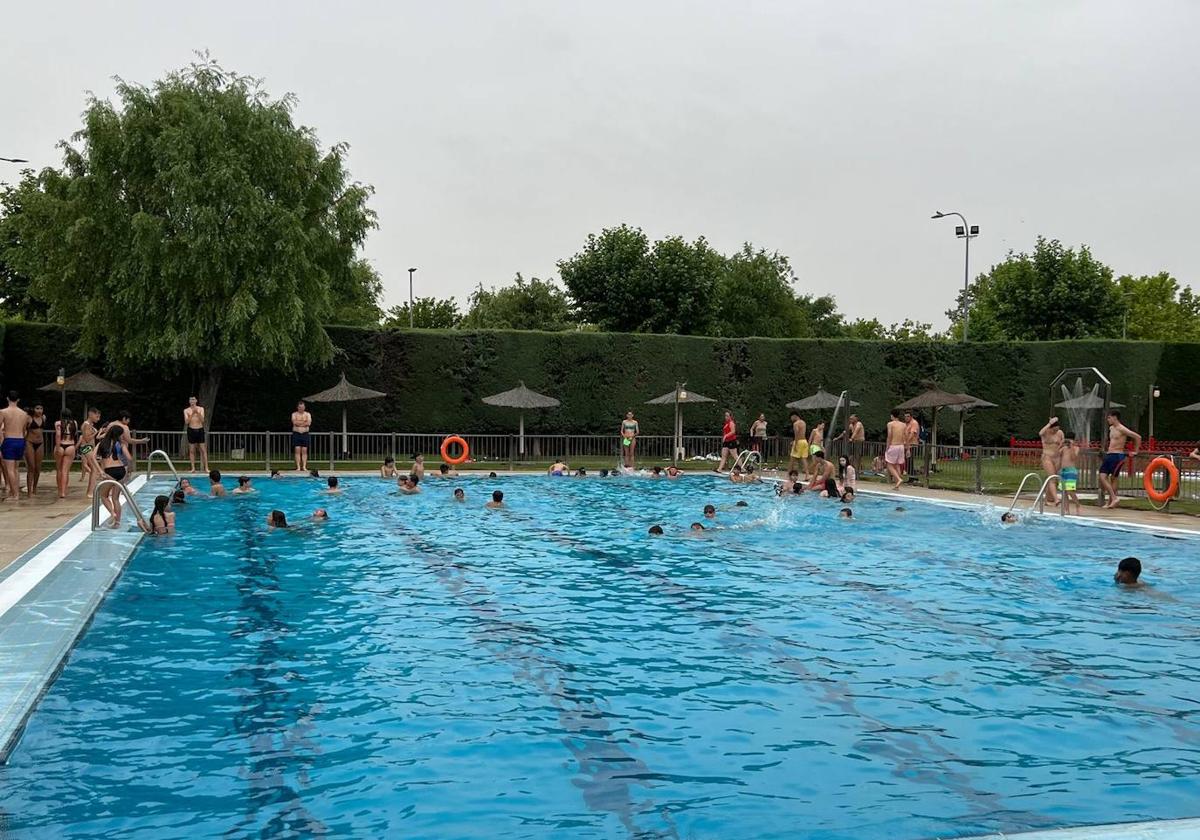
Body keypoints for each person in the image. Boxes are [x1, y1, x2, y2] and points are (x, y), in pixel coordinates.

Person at [1099, 410, 1141, 509]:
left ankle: (1113, 499)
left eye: (1109, 417)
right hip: (1110, 454)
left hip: (1117, 455)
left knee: (1112, 478)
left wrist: (1136, 451)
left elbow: (1137, 437)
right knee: (1102, 476)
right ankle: (1112, 500)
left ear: (1115, 417)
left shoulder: (1122, 429)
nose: (1107, 419)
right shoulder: (1111, 428)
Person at [1, 391, 32, 501]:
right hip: (20, 440)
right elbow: (24, 430)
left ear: (7, 398)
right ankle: (15, 493)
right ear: (18, 400)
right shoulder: (24, 414)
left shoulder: (3, 412)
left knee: (9, 469)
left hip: (9, 440)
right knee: (16, 469)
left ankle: (15, 494)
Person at [95, 426, 127, 527]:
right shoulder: (119, 444)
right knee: (116, 498)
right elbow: (126, 458)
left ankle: (112, 513)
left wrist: (100, 471)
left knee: (103, 495)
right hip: (121, 470)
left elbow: (92, 457)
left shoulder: (102, 443)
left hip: (110, 471)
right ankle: (117, 523)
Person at [1038, 417, 1064, 506]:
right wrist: (1049, 423)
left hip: (1057, 458)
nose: (1055, 431)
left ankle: (1047, 500)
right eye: (1054, 430)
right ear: (1051, 428)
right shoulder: (1046, 432)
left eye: (1057, 430)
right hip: (1047, 456)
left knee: (1053, 479)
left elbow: (1063, 442)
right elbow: (1040, 433)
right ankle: (1056, 499)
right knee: (1052, 478)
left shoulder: (1060, 433)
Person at [54, 408, 79, 500]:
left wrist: (57, 448)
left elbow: (58, 435)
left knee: (59, 469)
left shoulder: (58, 423)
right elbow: (75, 434)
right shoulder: (74, 423)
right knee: (65, 471)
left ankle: (60, 490)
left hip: (60, 445)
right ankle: (64, 491)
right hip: (70, 446)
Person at [78, 407, 102, 498]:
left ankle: (90, 491)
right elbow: (87, 439)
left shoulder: (89, 425)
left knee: (94, 469)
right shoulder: (87, 424)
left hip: (88, 447)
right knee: (94, 469)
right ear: (91, 414)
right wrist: (96, 433)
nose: (98, 419)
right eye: (97, 416)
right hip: (87, 447)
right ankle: (90, 492)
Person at [24, 404, 46, 497]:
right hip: (30, 442)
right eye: (37, 408)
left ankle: (35, 488)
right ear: (33, 409)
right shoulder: (28, 418)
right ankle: (29, 491)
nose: (39, 411)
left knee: (38, 468)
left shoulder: (44, 417)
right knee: (31, 467)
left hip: (40, 443)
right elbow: (23, 430)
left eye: (41, 408)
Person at [184, 396, 208, 473]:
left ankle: (206, 468)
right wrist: (192, 413)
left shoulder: (201, 409)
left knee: (203, 450)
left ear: (196, 400)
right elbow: (187, 422)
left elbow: (202, 420)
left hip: (200, 429)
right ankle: (193, 468)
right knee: (191, 450)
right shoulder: (186, 410)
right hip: (191, 430)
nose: (192, 401)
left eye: (193, 399)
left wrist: (197, 412)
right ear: (189, 401)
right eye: (191, 399)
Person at [884, 410, 907, 491]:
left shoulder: (890, 424)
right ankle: (897, 483)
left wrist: (887, 446)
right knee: (897, 464)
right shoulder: (903, 424)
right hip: (901, 446)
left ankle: (898, 479)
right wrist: (906, 448)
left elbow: (889, 435)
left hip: (894, 445)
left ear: (892, 416)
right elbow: (905, 436)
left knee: (889, 464)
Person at [1059, 433, 1081, 516]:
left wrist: (1071, 446)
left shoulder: (1076, 448)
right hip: (1063, 471)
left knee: (1070, 490)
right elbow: (1056, 454)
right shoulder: (1064, 448)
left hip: (1071, 471)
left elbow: (1073, 457)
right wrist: (1061, 444)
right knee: (1064, 492)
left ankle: (1077, 505)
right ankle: (1066, 509)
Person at [291, 400, 312, 472]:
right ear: (297, 407)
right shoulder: (294, 414)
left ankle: (304, 466)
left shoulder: (307, 414)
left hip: (305, 433)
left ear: (304, 407)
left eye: (303, 407)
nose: (301, 409)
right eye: (300, 407)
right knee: (297, 450)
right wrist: (304, 422)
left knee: (304, 450)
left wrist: (299, 422)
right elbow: (294, 422)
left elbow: (308, 423)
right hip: (297, 433)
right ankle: (298, 467)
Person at [904, 411, 921, 481]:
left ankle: (913, 477)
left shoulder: (914, 423)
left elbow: (912, 434)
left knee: (909, 462)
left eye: (908, 416)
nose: (906, 418)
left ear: (911, 417)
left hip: (911, 445)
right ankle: (912, 477)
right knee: (908, 462)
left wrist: (906, 442)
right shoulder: (906, 424)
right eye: (905, 416)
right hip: (907, 445)